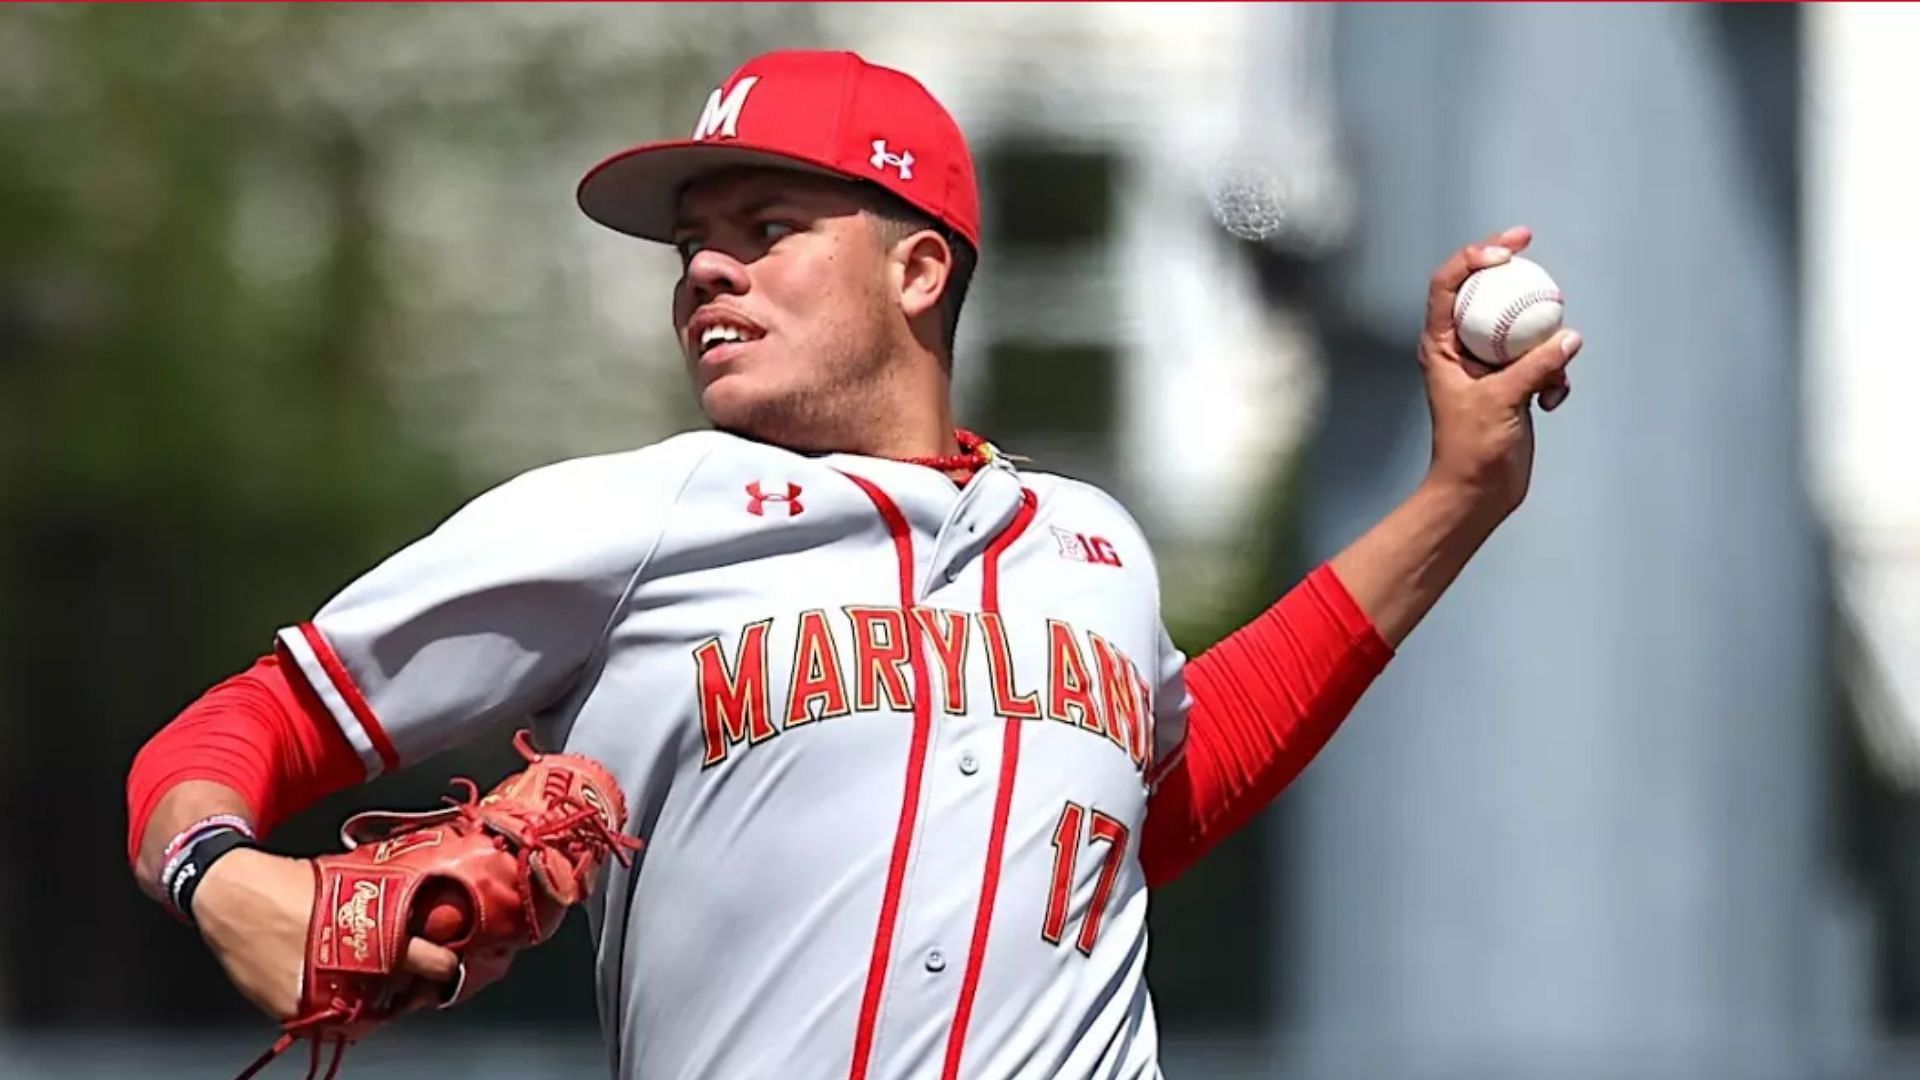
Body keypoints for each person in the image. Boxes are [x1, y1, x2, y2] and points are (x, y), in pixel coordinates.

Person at [126, 48, 1581, 1080]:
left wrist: (1459, 496)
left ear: (920, 270)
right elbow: (241, 727)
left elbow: (1147, 813)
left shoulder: (1094, 545)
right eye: (693, 246)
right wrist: (219, 876)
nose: (707, 269)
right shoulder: (634, 516)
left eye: (766, 231)